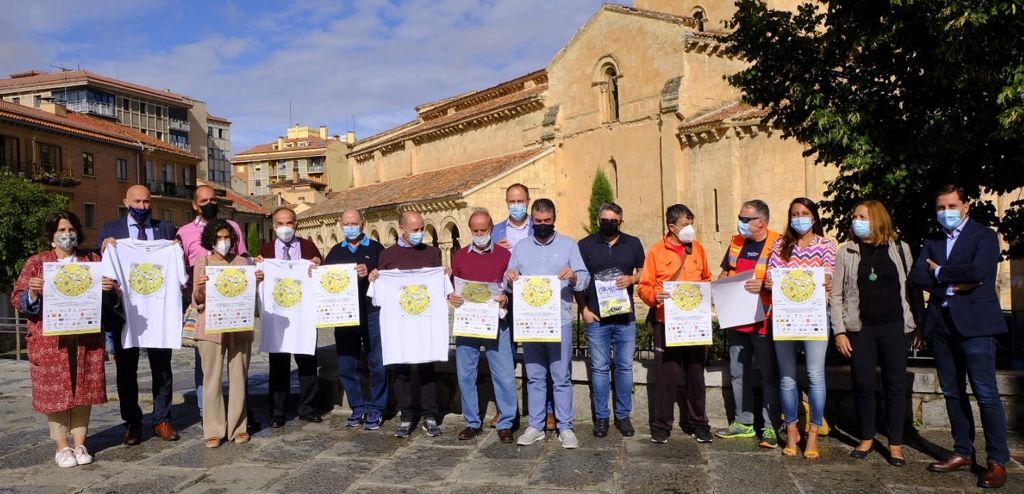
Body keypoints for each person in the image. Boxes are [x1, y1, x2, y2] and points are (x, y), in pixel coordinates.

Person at [911, 185, 1009, 489]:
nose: (945, 213)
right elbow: (917, 276)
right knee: (952, 392)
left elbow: (979, 272)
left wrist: (940, 274)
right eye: (940, 208)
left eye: (951, 206)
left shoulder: (985, 236)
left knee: (986, 393)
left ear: (966, 206)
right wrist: (955, 281)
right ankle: (963, 451)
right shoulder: (934, 240)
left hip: (977, 326)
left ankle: (997, 462)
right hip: (941, 325)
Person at [12, 211, 115, 467]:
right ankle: (62, 447)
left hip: (85, 338)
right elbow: (18, 298)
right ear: (51, 236)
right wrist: (32, 293)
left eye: (70, 229)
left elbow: (113, 298)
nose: (67, 235)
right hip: (50, 341)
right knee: (55, 392)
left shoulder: (91, 260)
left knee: (83, 389)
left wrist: (108, 289)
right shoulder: (37, 263)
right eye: (61, 231)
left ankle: (80, 444)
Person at [832, 199, 920, 467]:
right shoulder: (845, 251)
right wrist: (840, 331)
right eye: (854, 216)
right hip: (861, 330)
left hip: (894, 327)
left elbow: (910, 289)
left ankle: (895, 444)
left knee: (895, 386)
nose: (855, 221)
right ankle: (867, 437)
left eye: (862, 216)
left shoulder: (900, 248)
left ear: (877, 219)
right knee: (863, 384)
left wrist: (917, 325)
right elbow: (835, 295)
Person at [98, 184, 179, 445]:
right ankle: (132, 422)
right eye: (137, 201)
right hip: (125, 314)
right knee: (126, 371)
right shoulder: (111, 232)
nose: (142, 206)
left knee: (162, 369)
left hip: (159, 312)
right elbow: (104, 272)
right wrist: (105, 250)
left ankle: (162, 419)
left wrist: (174, 248)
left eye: (146, 202)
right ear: (126, 202)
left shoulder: (165, 230)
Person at [506, 199, 590, 449]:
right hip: (531, 322)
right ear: (532, 220)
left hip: (559, 320)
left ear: (554, 219)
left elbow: (584, 279)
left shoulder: (568, 245)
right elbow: (509, 278)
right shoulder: (521, 247)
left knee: (561, 375)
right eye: (538, 221)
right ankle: (535, 425)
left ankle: (565, 427)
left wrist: (574, 275)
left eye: (547, 221)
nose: (542, 225)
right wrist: (510, 278)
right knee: (534, 376)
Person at [764, 198, 836, 459]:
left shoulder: (826, 245)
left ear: (814, 217)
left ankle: (814, 432)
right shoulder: (780, 244)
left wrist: (824, 280)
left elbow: (828, 272)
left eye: (804, 213)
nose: (799, 218)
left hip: (815, 318)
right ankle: (792, 429)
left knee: (816, 375)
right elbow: (771, 279)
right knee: (787, 376)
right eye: (795, 214)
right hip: (785, 317)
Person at [638, 204, 713, 444]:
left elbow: (707, 278)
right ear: (672, 227)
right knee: (666, 376)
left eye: (691, 223)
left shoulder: (698, 249)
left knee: (695, 375)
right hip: (665, 321)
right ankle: (661, 425)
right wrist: (654, 296)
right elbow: (644, 285)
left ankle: (699, 423)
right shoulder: (656, 252)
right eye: (684, 225)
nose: (689, 229)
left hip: (694, 323)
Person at [176, 184, 247, 420]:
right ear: (195, 205)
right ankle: (205, 411)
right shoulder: (183, 232)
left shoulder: (234, 226)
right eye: (203, 201)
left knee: (237, 364)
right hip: (204, 303)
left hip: (234, 304)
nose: (209, 204)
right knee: (205, 363)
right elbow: (178, 266)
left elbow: (243, 259)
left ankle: (237, 415)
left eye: (212, 200)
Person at [371, 210, 444, 438]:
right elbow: (379, 292)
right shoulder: (387, 256)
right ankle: (406, 416)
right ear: (402, 229)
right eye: (415, 230)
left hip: (424, 324)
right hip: (399, 326)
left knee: (427, 368)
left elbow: (440, 287)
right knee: (400, 370)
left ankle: (430, 415)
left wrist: (444, 274)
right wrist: (376, 277)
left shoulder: (432, 253)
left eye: (422, 228)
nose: (420, 233)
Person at [715, 199, 782, 449]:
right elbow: (725, 272)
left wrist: (764, 284)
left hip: (765, 320)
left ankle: (770, 426)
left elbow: (785, 279)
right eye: (741, 218)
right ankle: (743, 422)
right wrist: (720, 283)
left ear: (761, 222)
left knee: (769, 375)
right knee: (737, 371)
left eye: (746, 219)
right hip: (737, 320)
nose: (740, 223)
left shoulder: (779, 243)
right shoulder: (736, 242)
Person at [576, 203, 645, 438]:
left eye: (613, 220)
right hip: (597, 317)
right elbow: (579, 280)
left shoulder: (633, 243)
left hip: (625, 318)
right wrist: (583, 309)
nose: (609, 223)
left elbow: (645, 272)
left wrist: (632, 279)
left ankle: (623, 417)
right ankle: (602, 418)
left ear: (621, 222)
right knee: (599, 368)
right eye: (604, 220)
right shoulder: (585, 245)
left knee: (625, 368)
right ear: (598, 221)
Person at [449, 209, 517, 443]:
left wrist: (506, 296)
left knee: (504, 374)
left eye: (484, 230)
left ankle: (506, 422)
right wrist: (453, 298)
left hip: (497, 322)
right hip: (468, 324)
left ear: (491, 229)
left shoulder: (504, 255)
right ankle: (472, 422)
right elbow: (453, 288)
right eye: (475, 230)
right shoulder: (459, 257)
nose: (479, 234)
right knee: (466, 374)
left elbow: (512, 285)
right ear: (470, 230)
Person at [190, 220, 254, 448]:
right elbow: (197, 300)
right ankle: (214, 430)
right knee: (212, 379)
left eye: (227, 238)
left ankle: (238, 427)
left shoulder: (243, 262)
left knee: (239, 377)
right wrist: (200, 287)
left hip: (238, 326)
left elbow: (250, 296)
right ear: (210, 240)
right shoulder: (203, 262)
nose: (223, 242)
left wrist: (257, 282)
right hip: (211, 328)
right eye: (218, 238)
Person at [323, 208, 387, 431]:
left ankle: (377, 407)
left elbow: (387, 275)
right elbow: (324, 282)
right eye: (345, 224)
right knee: (346, 363)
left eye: (354, 223)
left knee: (377, 362)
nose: (350, 227)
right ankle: (358, 406)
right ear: (341, 226)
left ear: (363, 223)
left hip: (371, 313)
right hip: (344, 315)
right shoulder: (334, 252)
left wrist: (373, 272)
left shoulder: (377, 249)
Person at [258, 206, 323, 427]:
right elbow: (259, 280)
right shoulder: (265, 251)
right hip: (278, 316)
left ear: (296, 224)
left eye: (290, 223)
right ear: (274, 225)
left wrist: (317, 266)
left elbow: (320, 274)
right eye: (280, 223)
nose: (285, 227)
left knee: (307, 361)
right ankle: (278, 411)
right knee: (278, 364)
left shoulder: (308, 247)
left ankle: (308, 408)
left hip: (303, 314)